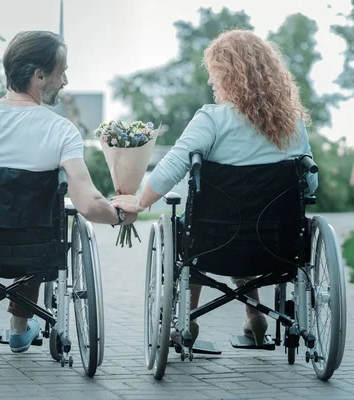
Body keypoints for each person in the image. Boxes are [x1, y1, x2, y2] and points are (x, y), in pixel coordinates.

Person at [0, 30, 136, 353]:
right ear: (39, 75)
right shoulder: (60, 130)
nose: (64, 81)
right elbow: (88, 204)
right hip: (35, 252)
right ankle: (21, 326)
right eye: (61, 72)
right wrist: (120, 215)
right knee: (39, 221)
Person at [112, 29, 318, 346]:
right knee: (250, 226)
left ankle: (188, 319)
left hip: (214, 241)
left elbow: (171, 166)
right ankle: (254, 316)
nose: (211, 83)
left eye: (214, 75)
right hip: (279, 244)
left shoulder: (211, 119)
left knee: (193, 232)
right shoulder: (292, 123)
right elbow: (311, 183)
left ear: (229, 76)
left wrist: (140, 201)